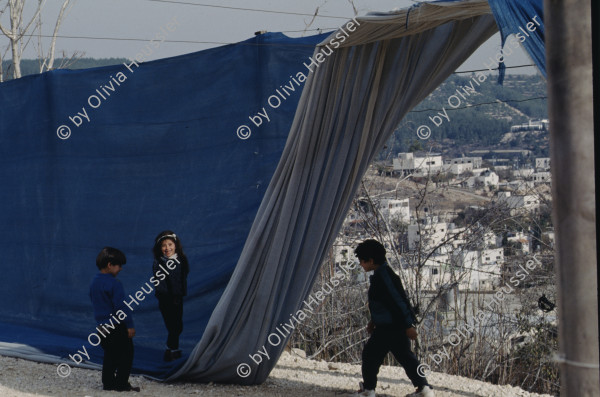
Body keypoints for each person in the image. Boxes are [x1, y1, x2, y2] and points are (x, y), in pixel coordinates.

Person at [351, 239, 433, 397]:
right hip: (390, 326)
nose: (361, 264)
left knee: (370, 355)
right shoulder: (382, 275)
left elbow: (398, 301)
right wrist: (373, 321)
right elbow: (384, 304)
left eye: (362, 261)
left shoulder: (384, 277)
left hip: (391, 328)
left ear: (371, 260)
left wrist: (409, 325)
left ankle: (368, 390)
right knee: (405, 357)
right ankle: (424, 389)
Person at [89, 247, 140, 392]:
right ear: (110, 264)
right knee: (126, 353)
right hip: (116, 326)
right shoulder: (114, 284)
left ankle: (108, 383)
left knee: (110, 354)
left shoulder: (94, 282)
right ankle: (121, 384)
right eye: (119, 265)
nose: (121, 269)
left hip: (101, 327)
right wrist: (129, 325)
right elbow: (121, 307)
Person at [152, 230, 190, 362]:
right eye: (164, 245)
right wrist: (167, 296)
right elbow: (160, 283)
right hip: (166, 299)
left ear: (175, 245)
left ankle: (171, 348)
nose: (167, 248)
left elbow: (183, 277)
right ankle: (172, 350)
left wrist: (179, 294)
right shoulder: (159, 262)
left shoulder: (181, 260)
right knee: (172, 325)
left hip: (178, 298)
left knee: (178, 325)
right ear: (159, 248)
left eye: (170, 244)